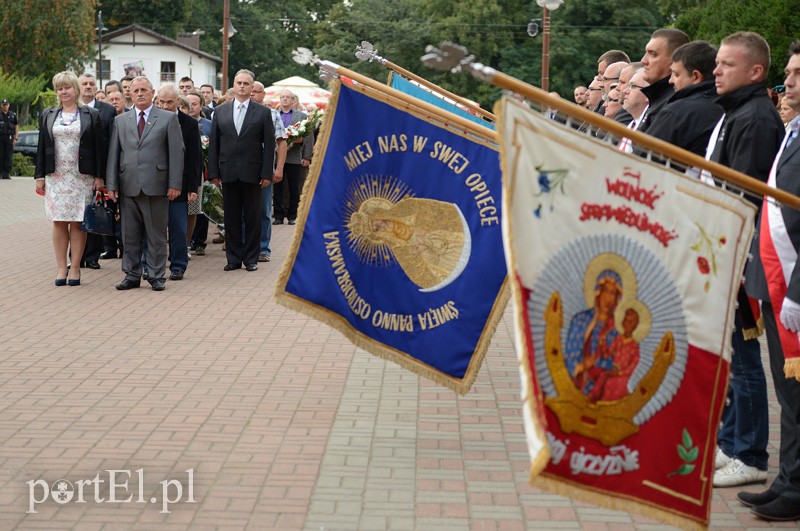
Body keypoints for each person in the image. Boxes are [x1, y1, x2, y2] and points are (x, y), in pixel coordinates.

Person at [703, 31, 785, 489]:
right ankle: (733, 443)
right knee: (733, 355)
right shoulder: (737, 112)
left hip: (738, 250)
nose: (716, 71)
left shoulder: (754, 119)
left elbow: (744, 195)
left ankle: (749, 452)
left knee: (745, 357)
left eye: (726, 65)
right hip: (723, 246)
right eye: (716, 63)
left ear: (755, 71)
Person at [736, 41, 800, 521]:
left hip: (794, 284)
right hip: (777, 279)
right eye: (790, 72)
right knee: (788, 391)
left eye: (798, 74)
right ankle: (788, 480)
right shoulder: (793, 132)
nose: (790, 82)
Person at [106, 76, 184, 291]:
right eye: (135, 90)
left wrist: (175, 184)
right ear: (129, 93)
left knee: (156, 234)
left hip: (157, 186)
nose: (139, 93)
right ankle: (131, 275)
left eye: (144, 90)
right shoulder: (120, 120)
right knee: (129, 235)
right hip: (128, 185)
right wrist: (111, 185)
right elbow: (114, 154)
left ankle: (156, 275)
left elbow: (176, 154)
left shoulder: (168, 119)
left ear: (152, 93)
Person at [34, 71, 106, 286]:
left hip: (81, 177)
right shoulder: (48, 114)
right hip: (55, 176)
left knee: (77, 223)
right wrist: (39, 176)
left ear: (76, 89)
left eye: (67, 87)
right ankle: (60, 268)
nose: (63, 91)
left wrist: (100, 178)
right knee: (58, 222)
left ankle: (75, 268)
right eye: (59, 88)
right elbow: (41, 147)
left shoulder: (91, 115)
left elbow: (100, 149)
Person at [208, 69, 276, 272]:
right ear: (234, 85)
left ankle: (251, 258)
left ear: (252, 88)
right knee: (231, 217)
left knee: (253, 217)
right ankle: (234, 258)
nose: (242, 86)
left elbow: (269, 145)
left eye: (246, 84)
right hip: (227, 172)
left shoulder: (263, 112)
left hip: (253, 173)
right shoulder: (220, 112)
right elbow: (214, 145)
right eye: (239, 83)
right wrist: (213, 172)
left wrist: (266, 173)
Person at [154, 85, 201, 281]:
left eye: (170, 102)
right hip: (154, 183)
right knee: (155, 228)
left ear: (177, 103)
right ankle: (153, 264)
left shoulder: (188, 124)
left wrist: (192, 187)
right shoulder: (151, 120)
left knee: (178, 227)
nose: (165, 106)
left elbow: (195, 157)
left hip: (180, 185)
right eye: (161, 102)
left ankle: (178, 265)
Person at [645, 41, 723, 158]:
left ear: (696, 76)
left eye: (676, 74)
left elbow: (643, 154)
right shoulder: (727, 108)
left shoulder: (678, 112)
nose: (670, 81)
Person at [78, 73, 117, 269]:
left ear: (96, 88)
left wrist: (103, 175)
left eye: (91, 84)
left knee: (94, 212)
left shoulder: (108, 111)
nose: (87, 87)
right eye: (84, 84)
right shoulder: (71, 109)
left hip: (98, 171)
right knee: (76, 215)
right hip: (75, 172)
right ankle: (75, 257)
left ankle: (92, 256)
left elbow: (109, 144)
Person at [565, 270, 623, 396]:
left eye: (613, 293)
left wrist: (598, 363)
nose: (608, 298)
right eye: (606, 291)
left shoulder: (615, 333)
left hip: (601, 391)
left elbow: (616, 365)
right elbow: (570, 358)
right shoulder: (580, 320)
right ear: (598, 292)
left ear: (617, 299)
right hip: (576, 386)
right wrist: (581, 366)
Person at [251, 81, 287, 262]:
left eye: (256, 92)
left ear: (263, 94)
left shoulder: (272, 114)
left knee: (264, 210)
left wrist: (279, 168)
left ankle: (263, 247)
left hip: (265, 169)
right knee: (243, 210)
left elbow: (281, 142)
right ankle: (245, 245)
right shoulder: (237, 112)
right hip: (244, 169)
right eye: (251, 92)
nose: (252, 95)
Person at [637, 28, 691, 133]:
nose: (643, 60)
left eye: (653, 54)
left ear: (675, 61)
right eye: (646, 53)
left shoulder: (673, 104)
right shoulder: (658, 97)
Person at [274, 90, 313, 226]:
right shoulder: (273, 114)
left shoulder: (301, 116)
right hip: (276, 158)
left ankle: (292, 215)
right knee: (277, 187)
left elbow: (308, 138)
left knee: (294, 188)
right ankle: (278, 216)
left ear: (293, 101)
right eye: (282, 97)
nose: (284, 99)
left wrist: (307, 157)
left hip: (294, 157)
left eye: (287, 97)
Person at [0, 98, 18, 179]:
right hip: (1, 137)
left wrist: (16, 138)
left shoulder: (13, 115)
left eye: (6, 104)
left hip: (9, 137)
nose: (5, 106)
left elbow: (16, 126)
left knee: (8, 156)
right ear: (1, 105)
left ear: (9, 105)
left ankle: (7, 173)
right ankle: (1, 173)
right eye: (3, 105)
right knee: (1, 155)